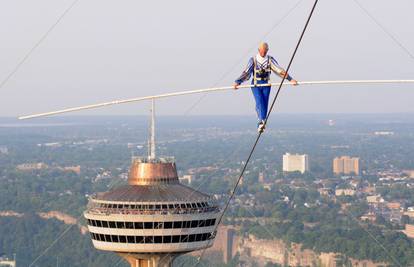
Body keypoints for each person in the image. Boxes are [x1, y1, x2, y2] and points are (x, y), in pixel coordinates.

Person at [234, 42, 298, 132]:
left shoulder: (270, 59)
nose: (263, 53)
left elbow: (279, 70)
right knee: (259, 100)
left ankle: (262, 121)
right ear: (259, 50)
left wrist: (290, 79)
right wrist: (238, 82)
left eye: (265, 51)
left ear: (267, 50)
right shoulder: (253, 59)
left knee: (264, 103)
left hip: (266, 84)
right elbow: (247, 72)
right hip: (256, 84)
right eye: (262, 51)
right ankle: (261, 121)